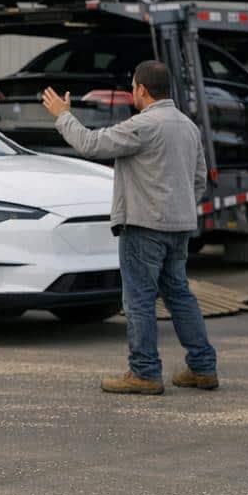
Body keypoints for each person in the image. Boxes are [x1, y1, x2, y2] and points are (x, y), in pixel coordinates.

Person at [41, 60, 217, 395]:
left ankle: (145, 373)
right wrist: (177, 209)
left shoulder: (143, 126)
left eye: (133, 85)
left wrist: (63, 115)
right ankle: (203, 367)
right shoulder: (188, 127)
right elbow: (198, 179)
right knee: (179, 295)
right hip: (179, 228)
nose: (131, 91)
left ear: (142, 90)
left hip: (144, 227)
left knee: (138, 299)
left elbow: (91, 145)